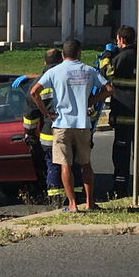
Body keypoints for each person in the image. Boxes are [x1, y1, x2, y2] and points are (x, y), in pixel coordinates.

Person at [30, 39, 112, 212]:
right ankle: (90, 203)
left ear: (62, 54)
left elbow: (33, 92)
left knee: (65, 165)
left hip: (62, 123)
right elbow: (109, 89)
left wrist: (45, 113)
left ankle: (73, 205)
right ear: (79, 52)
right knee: (86, 164)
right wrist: (91, 100)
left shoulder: (55, 71)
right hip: (83, 123)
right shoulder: (89, 70)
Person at [22, 49, 83, 205]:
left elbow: (30, 114)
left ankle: (56, 199)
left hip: (49, 134)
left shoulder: (38, 83)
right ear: (62, 59)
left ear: (44, 63)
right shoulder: (70, 78)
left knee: (54, 167)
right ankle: (75, 198)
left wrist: (29, 132)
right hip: (73, 129)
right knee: (73, 165)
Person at [104, 26, 139, 198]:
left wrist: (106, 56)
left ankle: (120, 189)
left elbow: (106, 73)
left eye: (117, 40)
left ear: (121, 39)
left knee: (121, 155)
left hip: (124, 114)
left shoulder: (124, 57)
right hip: (138, 114)